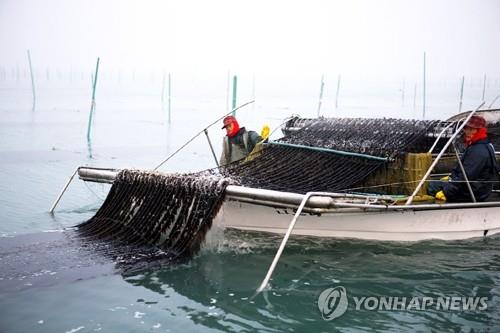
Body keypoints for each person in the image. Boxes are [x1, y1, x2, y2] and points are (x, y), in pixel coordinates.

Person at [427, 115, 498, 202]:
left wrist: (446, 192)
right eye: (466, 128)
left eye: (471, 129)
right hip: (479, 189)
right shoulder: (485, 145)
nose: (467, 132)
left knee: (430, 186)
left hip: (473, 193)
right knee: (437, 182)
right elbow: (466, 173)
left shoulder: (477, 151)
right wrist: (451, 177)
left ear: (480, 131)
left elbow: (466, 177)